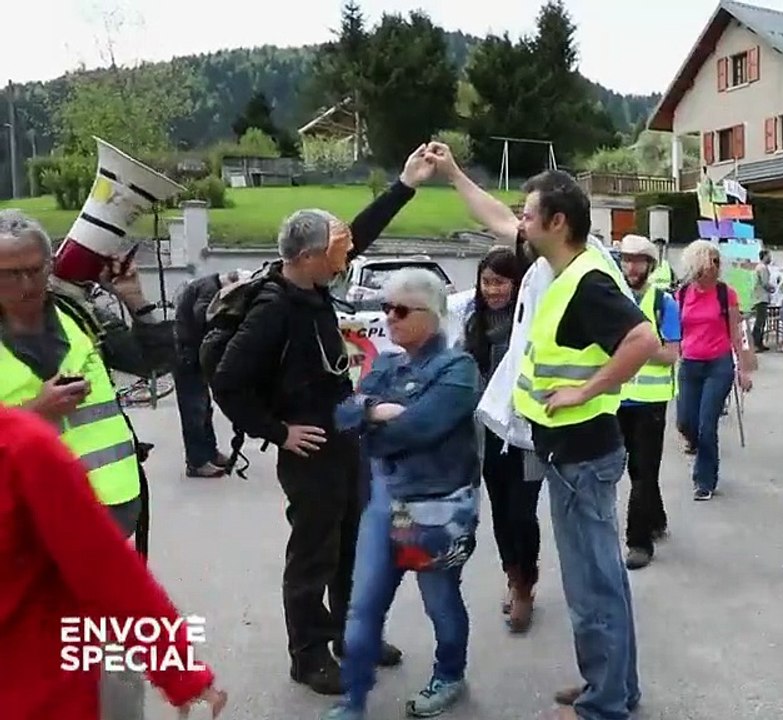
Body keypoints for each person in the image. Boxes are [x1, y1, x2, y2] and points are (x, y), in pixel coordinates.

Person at [429, 143, 658, 720]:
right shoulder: (555, 265)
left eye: (530, 215)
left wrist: (586, 389)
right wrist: (455, 174)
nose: (520, 222)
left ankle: (604, 704)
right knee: (597, 580)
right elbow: (496, 217)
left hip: (582, 452)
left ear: (559, 223)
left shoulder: (586, 280)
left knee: (592, 585)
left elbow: (643, 341)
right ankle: (611, 685)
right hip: (567, 450)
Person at [210, 147, 436, 694]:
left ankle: (348, 634)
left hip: (343, 438)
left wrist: (404, 184)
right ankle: (307, 653)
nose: (348, 253)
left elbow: (359, 231)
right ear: (310, 255)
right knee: (314, 552)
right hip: (307, 448)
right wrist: (278, 432)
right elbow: (227, 380)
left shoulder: (312, 286)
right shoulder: (274, 308)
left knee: (354, 543)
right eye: (337, 248)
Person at [0, 210, 177, 719]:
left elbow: (155, 362)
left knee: (109, 651)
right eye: (12, 273)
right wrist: (36, 410)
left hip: (112, 510)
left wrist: (135, 300)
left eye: (37, 268)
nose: (30, 283)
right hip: (28, 526)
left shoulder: (78, 315)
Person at [0, 406, 227, 720]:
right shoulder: (23, 445)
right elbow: (106, 573)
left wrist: (177, 669)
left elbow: (106, 572)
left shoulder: (22, 449)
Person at [326, 269, 481, 720]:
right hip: (384, 501)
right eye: (385, 308)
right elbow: (341, 414)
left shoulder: (458, 367)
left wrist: (370, 425)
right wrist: (375, 411)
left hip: (436, 508)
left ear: (431, 316)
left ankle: (449, 674)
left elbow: (423, 427)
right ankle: (353, 698)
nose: (388, 318)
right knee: (363, 604)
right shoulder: (388, 364)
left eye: (399, 310)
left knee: (440, 602)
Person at [461, 246, 541, 632]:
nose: (493, 290)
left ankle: (526, 586)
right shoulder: (471, 322)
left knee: (523, 512)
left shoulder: (531, 318)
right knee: (500, 512)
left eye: (501, 282)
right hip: (489, 433)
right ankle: (512, 576)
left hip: (527, 433)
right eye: (487, 281)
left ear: (517, 283)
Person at [611, 234, 680, 569]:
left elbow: (671, 354)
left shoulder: (663, 303)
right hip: (615, 399)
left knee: (643, 470)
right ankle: (656, 517)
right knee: (633, 470)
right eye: (626, 259)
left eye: (638, 260)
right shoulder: (613, 300)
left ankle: (638, 542)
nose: (631, 266)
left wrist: (639, 345)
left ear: (650, 265)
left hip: (651, 401)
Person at [677, 240, 757, 501]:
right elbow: (676, 329)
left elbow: (739, 333)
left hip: (718, 364)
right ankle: (701, 451)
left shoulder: (726, 293)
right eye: (709, 261)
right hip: (689, 363)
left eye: (716, 261)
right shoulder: (682, 294)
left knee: (706, 424)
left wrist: (744, 369)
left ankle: (705, 479)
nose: (714, 266)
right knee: (686, 422)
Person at [172, 270, 240, 477]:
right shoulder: (209, 291)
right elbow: (203, 316)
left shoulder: (208, 285)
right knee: (194, 410)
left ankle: (209, 452)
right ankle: (197, 462)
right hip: (186, 356)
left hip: (194, 355)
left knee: (203, 407)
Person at [750, 249, 775, 352]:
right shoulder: (763, 268)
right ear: (764, 256)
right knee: (760, 321)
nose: (770, 258)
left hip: (758, 297)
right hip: (761, 298)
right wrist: (772, 288)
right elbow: (765, 283)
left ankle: (759, 342)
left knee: (761, 321)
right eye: (769, 256)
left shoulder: (758, 267)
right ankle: (755, 343)